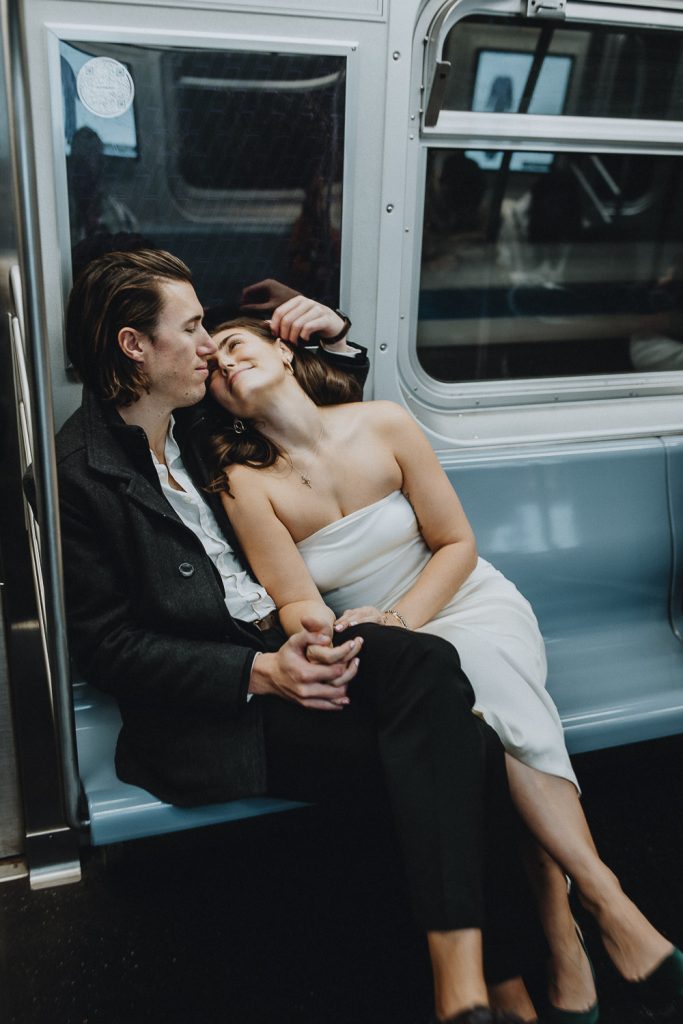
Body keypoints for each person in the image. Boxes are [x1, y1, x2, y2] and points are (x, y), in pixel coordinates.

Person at [54, 247, 544, 1024]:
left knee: (425, 664)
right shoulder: (79, 474)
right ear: (134, 345)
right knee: (466, 747)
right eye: (191, 329)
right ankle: (493, 989)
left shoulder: (194, 418)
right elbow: (108, 648)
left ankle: (470, 990)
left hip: (293, 648)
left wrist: (333, 330)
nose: (209, 346)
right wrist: (261, 674)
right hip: (220, 706)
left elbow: (308, 400)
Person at [204, 314, 683, 1024]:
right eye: (212, 368)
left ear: (282, 349)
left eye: (234, 345)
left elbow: (456, 543)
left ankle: (583, 913)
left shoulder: (386, 423)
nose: (223, 363)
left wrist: (402, 619)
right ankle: (597, 909)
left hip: (465, 602)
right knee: (471, 715)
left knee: (480, 688)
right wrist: (331, 633)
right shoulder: (244, 484)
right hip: (386, 646)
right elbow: (296, 599)